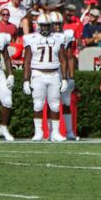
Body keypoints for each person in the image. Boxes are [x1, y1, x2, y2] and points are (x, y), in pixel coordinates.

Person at [22, 14, 68, 142]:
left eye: (48, 25)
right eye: (44, 25)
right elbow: (27, 61)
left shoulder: (59, 38)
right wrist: (26, 80)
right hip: (38, 74)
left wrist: (64, 78)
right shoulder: (31, 38)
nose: (46, 28)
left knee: (54, 105)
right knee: (38, 104)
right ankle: (39, 132)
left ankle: (55, 133)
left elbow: (63, 60)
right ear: (38, 25)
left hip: (54, 74)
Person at [50, 11, 77, 140]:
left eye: (59, 24)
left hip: (63, 73)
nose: (57, 27)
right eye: (54, 24)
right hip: (51, 73)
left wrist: (71, 76)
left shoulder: (67, 36)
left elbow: (70, 57)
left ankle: (69, 131)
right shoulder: (45, 38)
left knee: (66, 103)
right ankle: (51, 132)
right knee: (52, 103)